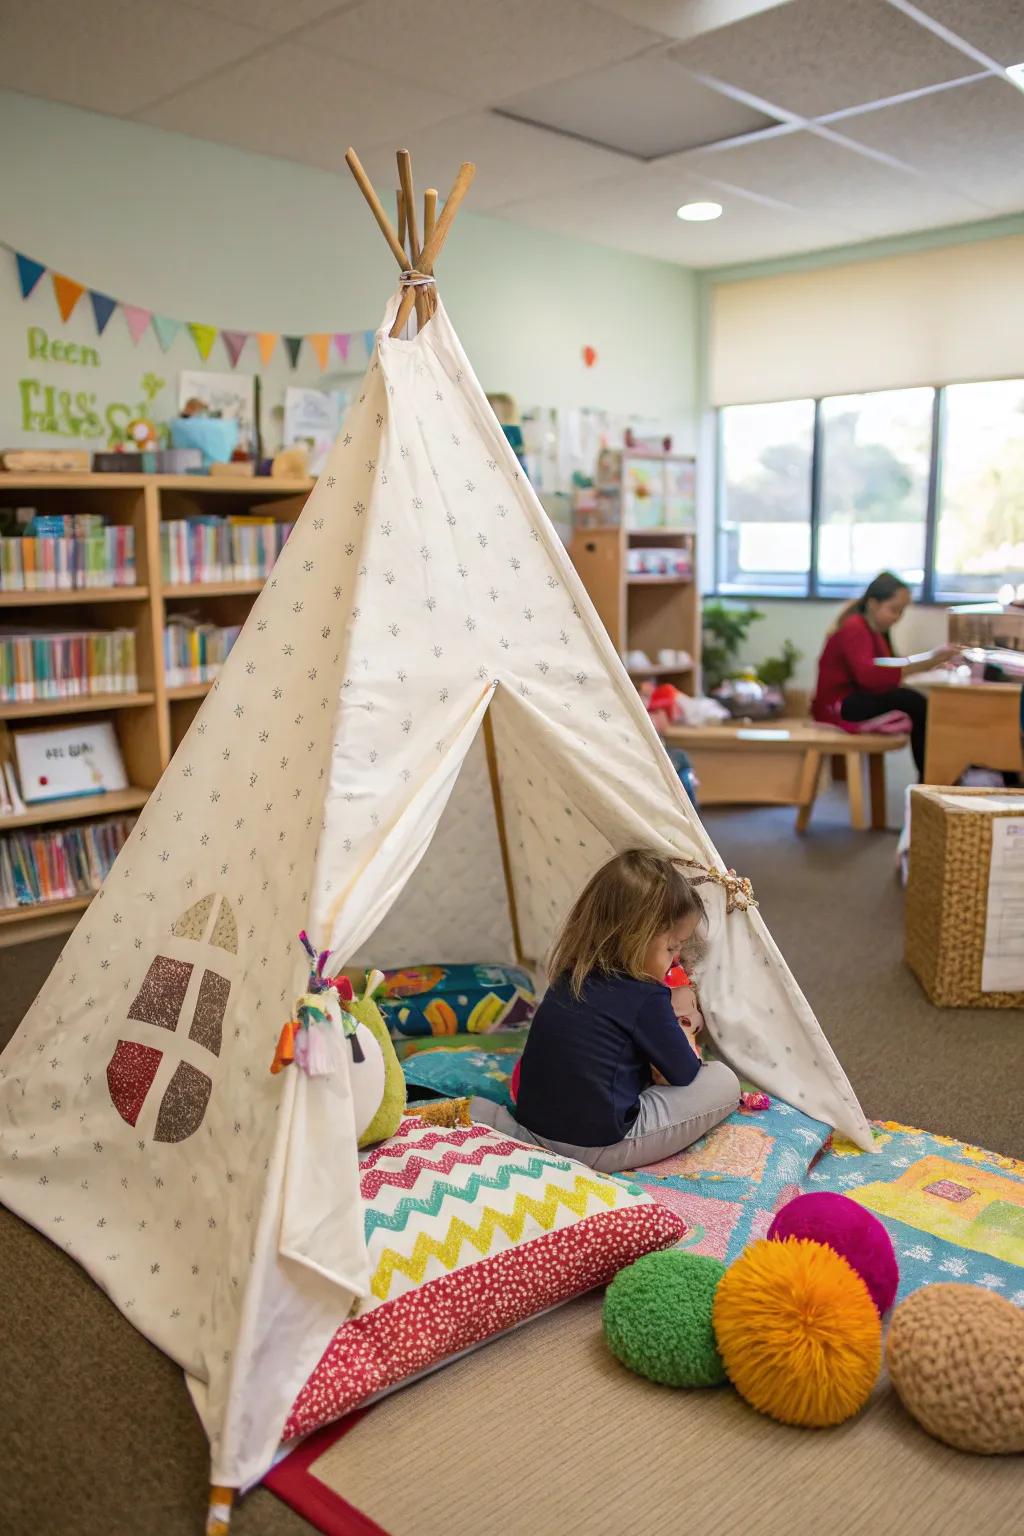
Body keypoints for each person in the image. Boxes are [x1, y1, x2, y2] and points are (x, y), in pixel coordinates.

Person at [469, 850, 740, 1173]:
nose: (675, 960)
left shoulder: (570, 975)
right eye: (671, 948)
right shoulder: (646, 996)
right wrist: (684, 1024)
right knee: (723, 1081)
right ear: (634, 939)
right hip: (596, 1147)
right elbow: (684, 1073)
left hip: (533, 1125)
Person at [812, 570, 959, 778]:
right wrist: (929, 660)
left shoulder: (873, 631)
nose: (898, 617)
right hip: (838, 706)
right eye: (894, 610)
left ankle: (931, 775)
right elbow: (870, 677)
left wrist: (931, 664)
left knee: (916, 701)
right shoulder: (855, 628)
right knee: (914, 702)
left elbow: (891, 668)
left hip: (851, 699)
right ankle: (929, 777)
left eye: (902, 611)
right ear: (873, 604)